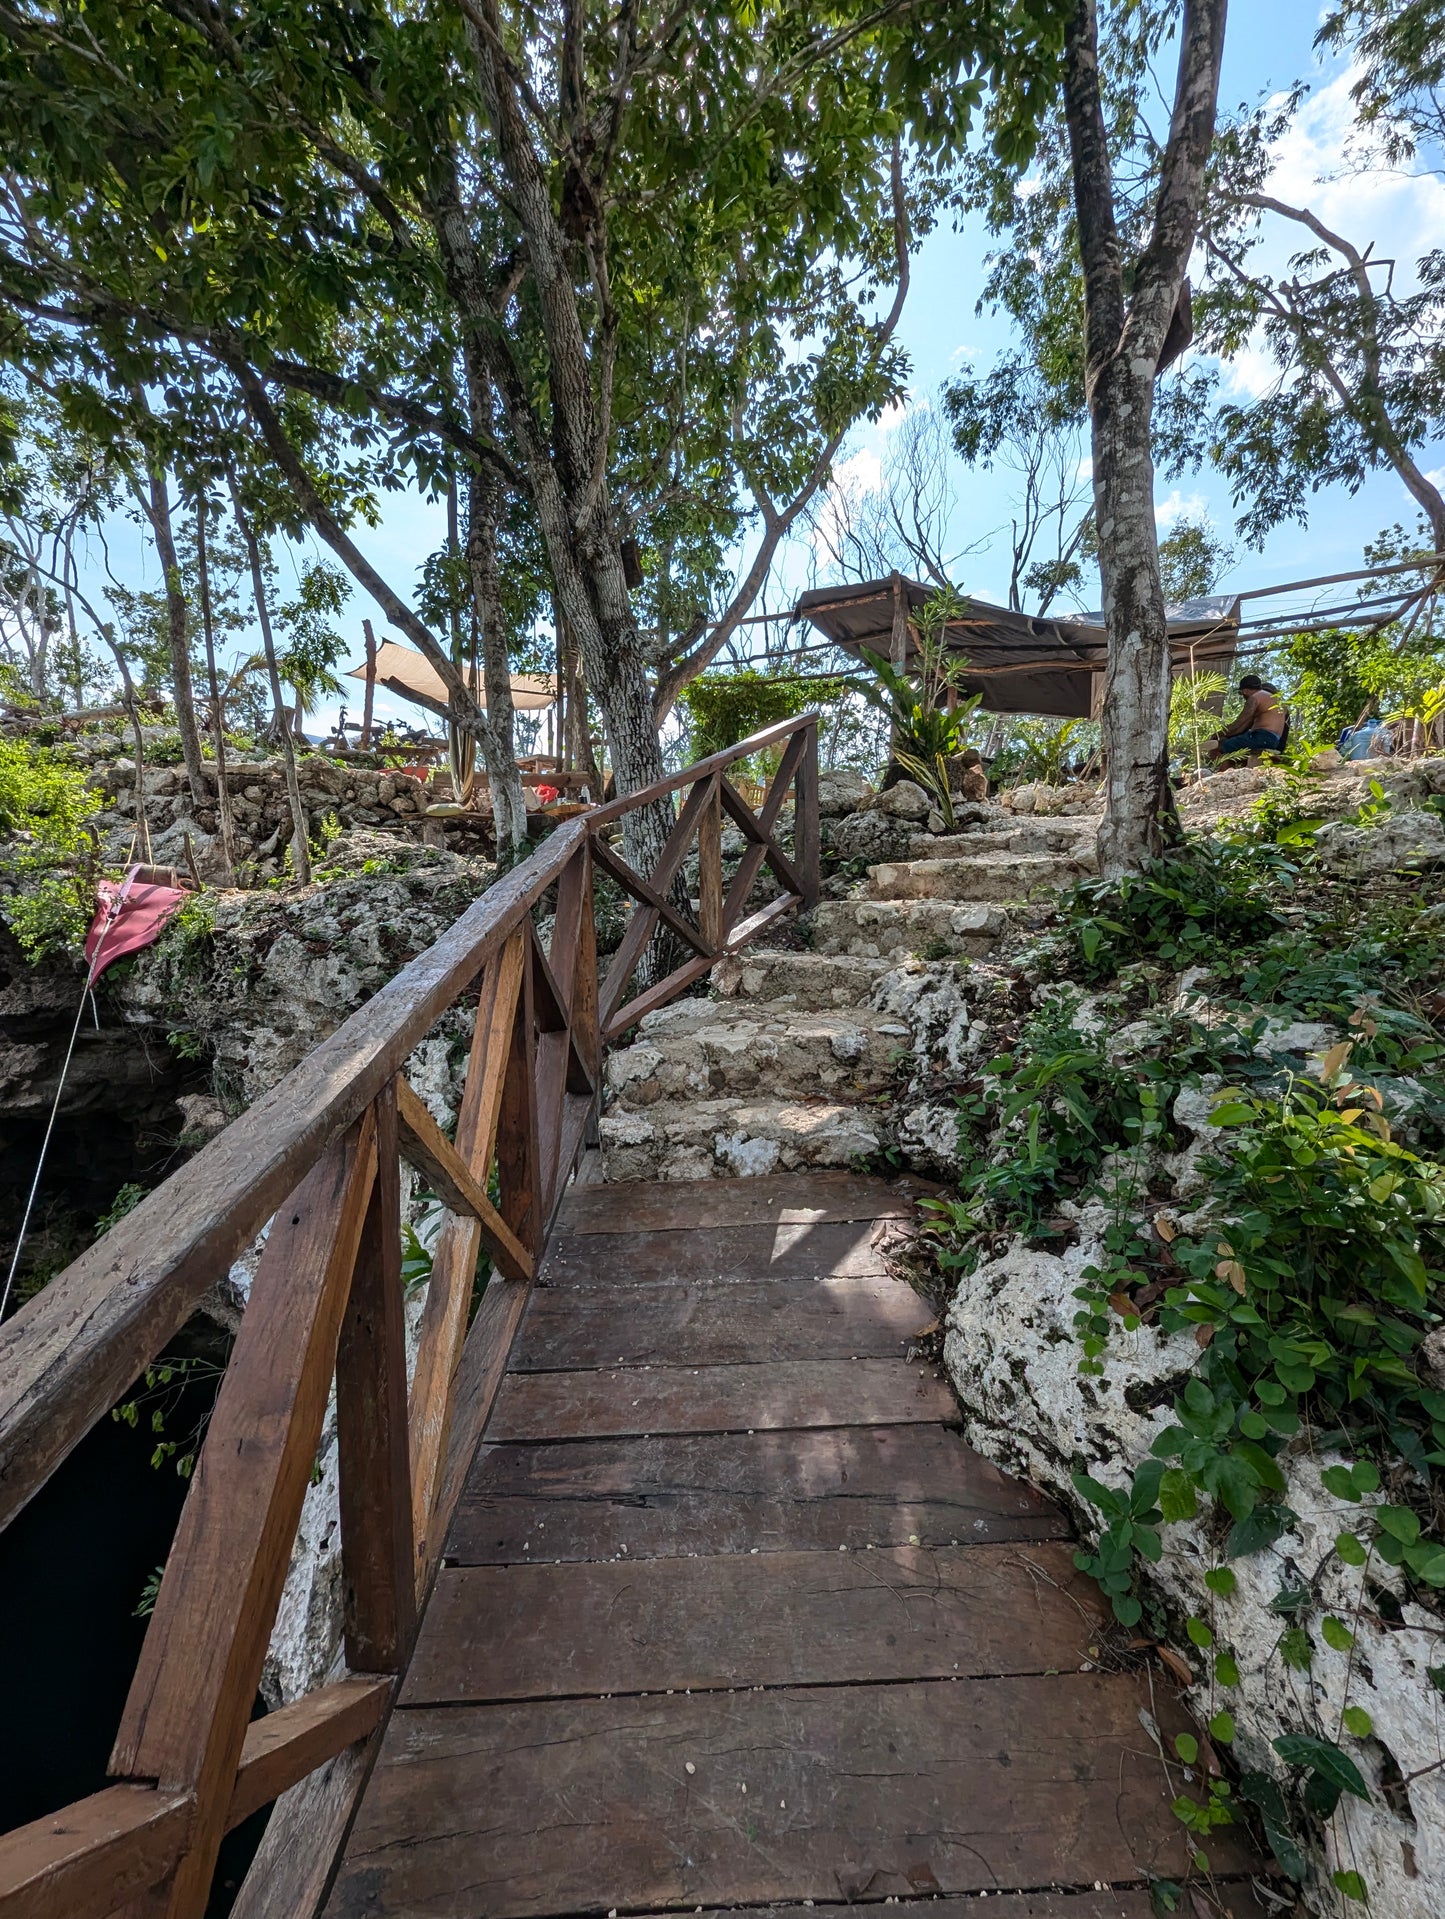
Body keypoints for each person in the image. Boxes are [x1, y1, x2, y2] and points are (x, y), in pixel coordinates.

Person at [1205, 676, 1289, 763]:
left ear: (1244, 690)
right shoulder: (1276, 700)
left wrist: (1217, 735)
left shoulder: (1255, 698)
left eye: (1241, 694)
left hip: (1260, 737)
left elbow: (1239, 723)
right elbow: (1242, 728)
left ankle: (1220, 772)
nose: (1243, 696)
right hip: (1274, 741)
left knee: (1218, 746)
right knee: (1231, 745)